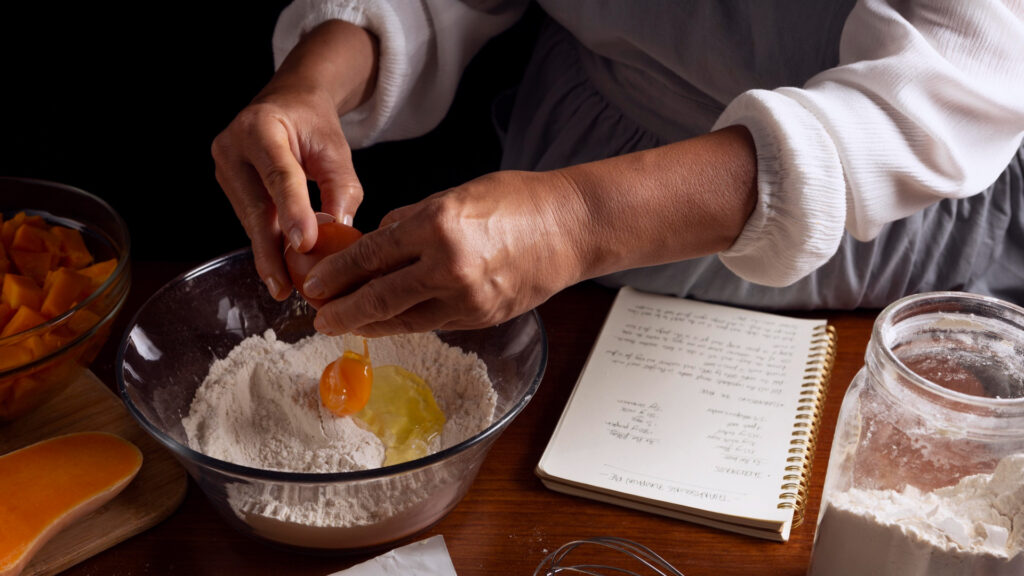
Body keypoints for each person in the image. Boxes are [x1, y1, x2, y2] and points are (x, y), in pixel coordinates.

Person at [212, 0, 1024, 338]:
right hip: (571, 157)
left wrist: (578, 220)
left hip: (870, 226)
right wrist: (313, 81)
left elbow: (931, 99)